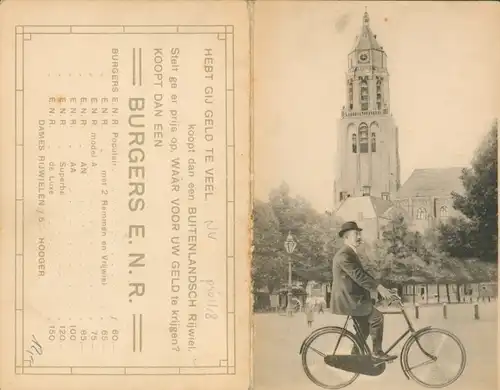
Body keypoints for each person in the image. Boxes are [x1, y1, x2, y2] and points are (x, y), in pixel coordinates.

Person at [330, 221, 398, 362]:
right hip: (349, 300)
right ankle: (377, 353)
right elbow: (359, 276)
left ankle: (355, 356)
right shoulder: (344, 255)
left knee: (365, 328)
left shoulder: (350, 253)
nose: (360, 237)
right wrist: (379, 288)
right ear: (346, 237)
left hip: (353, 298)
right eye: (356, 234)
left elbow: (362, 276)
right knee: (377, 318)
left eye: (360, 233)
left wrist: (381, 289)